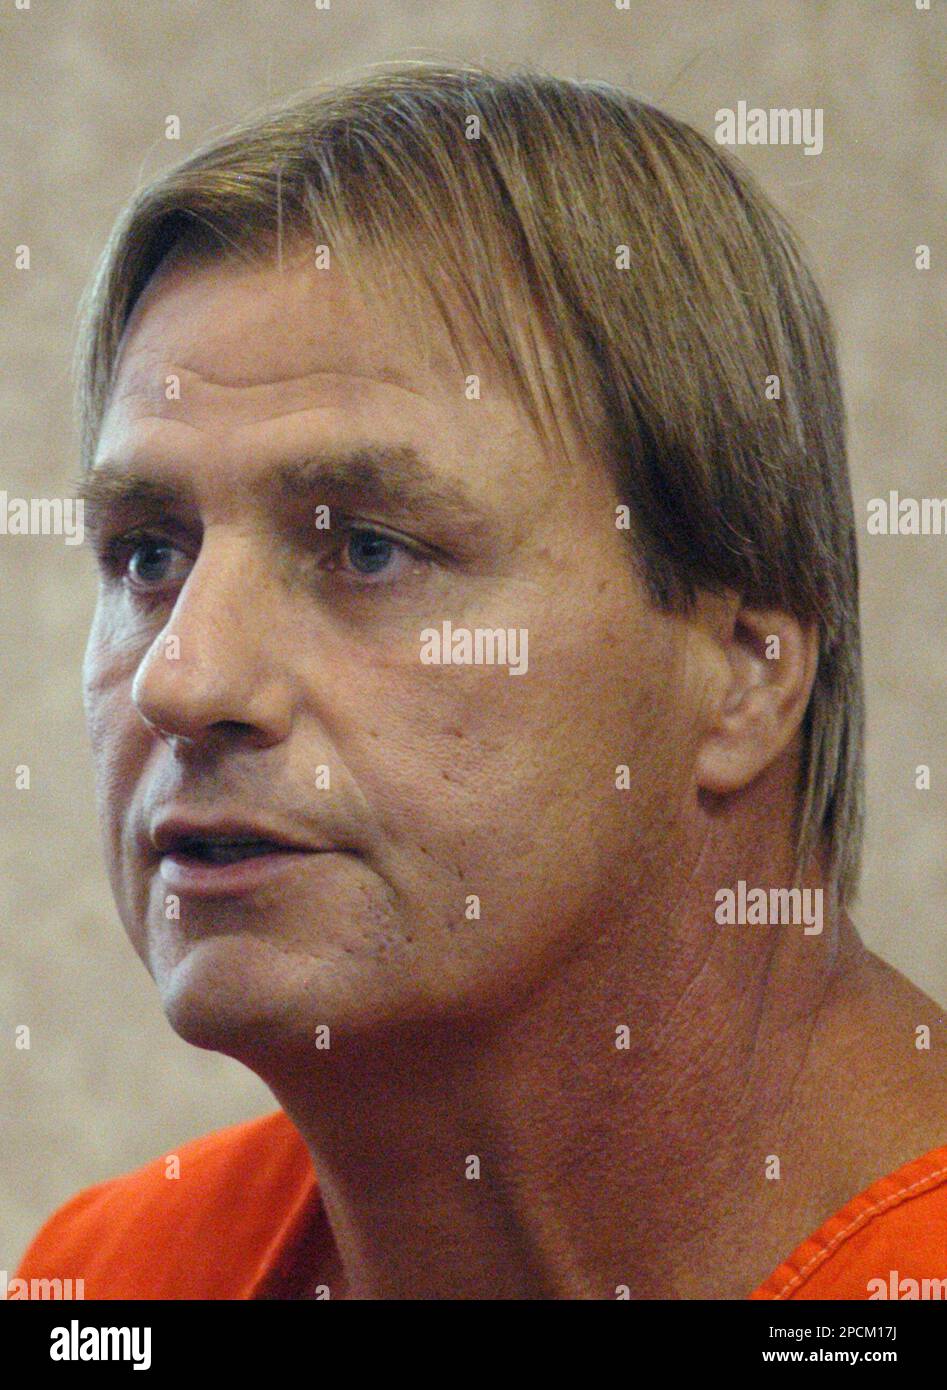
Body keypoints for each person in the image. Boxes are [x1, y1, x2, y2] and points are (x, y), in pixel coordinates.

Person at [13, 61, 947, 1301]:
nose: (183, 681)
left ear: (741, 673)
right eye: (147, 555)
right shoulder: (113, 1282)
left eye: (367, 550)